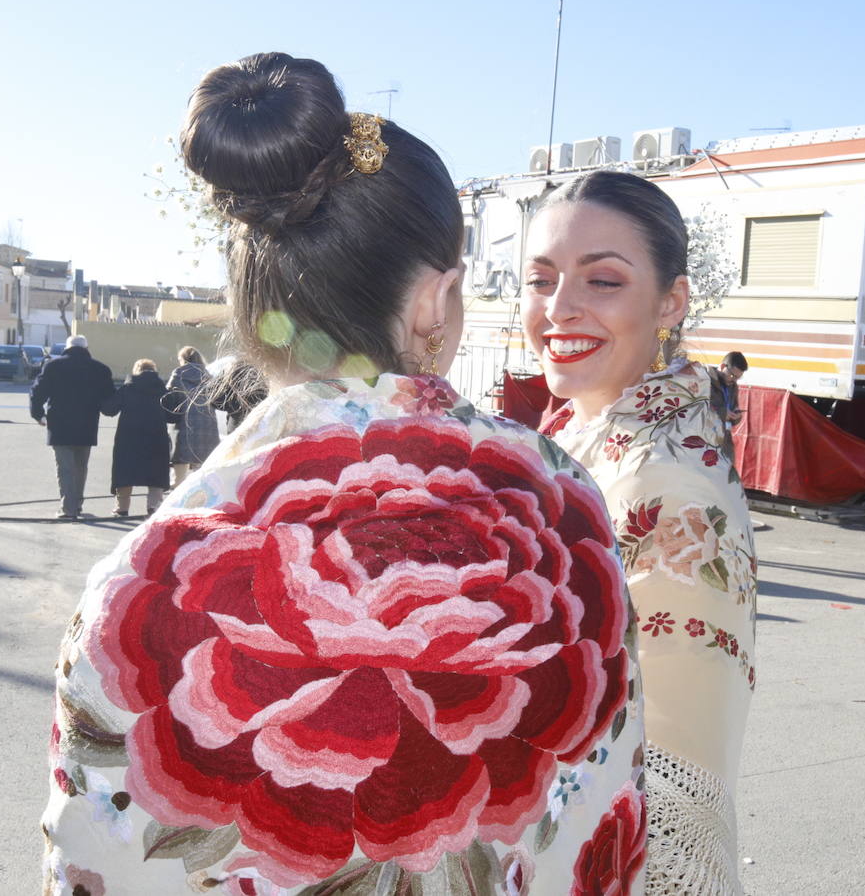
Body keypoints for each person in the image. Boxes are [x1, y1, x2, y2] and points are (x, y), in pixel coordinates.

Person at [42, 53, 645, 895]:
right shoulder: (567, 510)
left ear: (249, 299)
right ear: (437, 300)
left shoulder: (135, 580)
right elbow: (598, 833)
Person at [524, 170, 757, 894]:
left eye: (602, 282)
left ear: (671, 302)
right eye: (541, 279)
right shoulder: (587, 435)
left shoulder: (663, 483)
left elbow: (669, 768)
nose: (559, 309)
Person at [29, 333, 115, 520]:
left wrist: (38, 415)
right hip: (87, 425)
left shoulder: (53, 366)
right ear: (86, 348)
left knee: (65, 467)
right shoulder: (100, 369)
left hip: (59, 425)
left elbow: (37, 392)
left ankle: (68, 509)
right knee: (81, 467)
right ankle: (77, 505)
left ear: (67, 347)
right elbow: (109, 398)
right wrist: (110, 410)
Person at [100, 359, 175, 517]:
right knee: (156, 472)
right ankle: (154, 506)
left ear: (136, 371)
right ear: (154, 371)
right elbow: (174, 416)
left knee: (125, 471)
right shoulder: (162, 390)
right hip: (156, 437)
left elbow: (109, 409)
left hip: (128, 438)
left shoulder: (128, 388)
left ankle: (122, 508)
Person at [164, 346, 221, 486]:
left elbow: (168, 396)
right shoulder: (208, 375)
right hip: (207, 421)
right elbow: (216, 398)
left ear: (183, 359)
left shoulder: (178, 373)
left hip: (185, 420)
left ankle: (177, 484)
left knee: (181, 457)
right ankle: (199, 490)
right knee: (202, 460)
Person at [209, 356, 269, 434]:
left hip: (237, 432)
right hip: (258, 429)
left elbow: (212, 398)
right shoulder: (260, 379)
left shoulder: (232, 396)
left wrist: (223, 375)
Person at [711, 351, 747, 428]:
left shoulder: (733, 386)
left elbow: (734, 408)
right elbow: (695, 410)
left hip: (722, 436)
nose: (735, 380)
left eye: (738, 377)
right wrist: (723, 413)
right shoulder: (706, 381)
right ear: (723, 366)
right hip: (704, 437)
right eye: (732, 375)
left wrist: (736, 417)